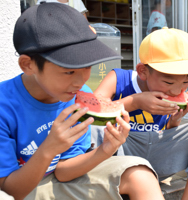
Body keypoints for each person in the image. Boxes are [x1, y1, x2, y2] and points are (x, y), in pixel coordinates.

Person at [0, 3, 164, 200]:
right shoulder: (4, 106)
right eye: (69, 71)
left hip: (62, 181)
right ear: (28, 65)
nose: (81, 81)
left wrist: (105, 150)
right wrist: (49, 149)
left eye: (87, 67)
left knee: (141, 176)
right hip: (24, 188)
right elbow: (11, 191)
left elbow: (63, 171)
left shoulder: (79, 95)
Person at [94, 27, 188, 200]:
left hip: (158, 157)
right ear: (143, 71)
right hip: (123, 153)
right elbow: (92, 112)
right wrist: (134, 101)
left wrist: (175, 120)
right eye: (168, 81)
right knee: (95, 133)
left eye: (186, 82)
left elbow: (163, 137)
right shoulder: (119, 78)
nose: (176, 90)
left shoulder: (173, 93)